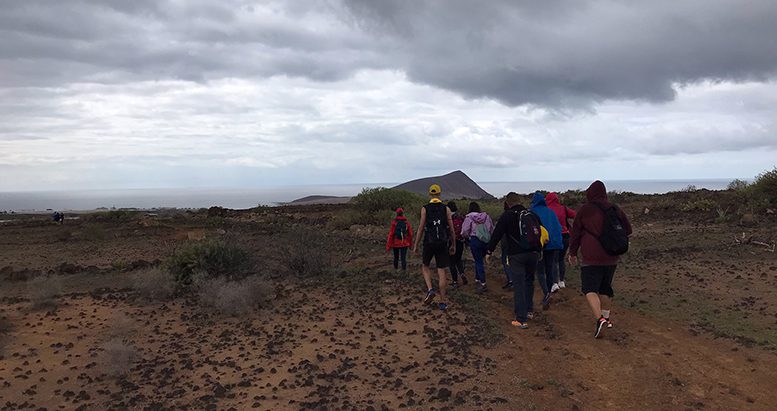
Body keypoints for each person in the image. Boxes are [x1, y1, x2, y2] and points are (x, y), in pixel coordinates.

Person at [568, 180, 633, 339]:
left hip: (591, 256)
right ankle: (607, 318)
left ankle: (600, 319)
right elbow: (628, 231)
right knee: (605, 288)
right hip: (611, 256)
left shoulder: (585, 210)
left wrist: (573, 253)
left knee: (589, 289)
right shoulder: (615, 208)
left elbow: (575, 234)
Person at [485, 192, 543, 328]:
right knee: (529, 281)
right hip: (533, 253)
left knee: (519, 284)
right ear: (520, 201)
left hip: (516, 255)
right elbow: (540, 232)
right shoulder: (531, 214)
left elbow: (497, 234)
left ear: (507, 203)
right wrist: (539, 250)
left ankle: (521, 319)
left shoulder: (507, 215)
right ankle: (529, 310)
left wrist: (489, 251)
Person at [412, 184, 456, 311]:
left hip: (429, 243)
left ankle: (430, 289)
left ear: (430, 194)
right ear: (439, 194)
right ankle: (442, 302)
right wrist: (453, 244)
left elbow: (421, 228)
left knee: (425, 266)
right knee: (441, 271)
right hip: (442, 243)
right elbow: (451, 229)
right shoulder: (446, 209)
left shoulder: (425, 208)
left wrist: (416, 245)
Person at [530, 192, 564, 310]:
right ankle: (549, 290)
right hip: (554, 245)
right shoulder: (551, 212)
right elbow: (558, 228)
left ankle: (546, 293)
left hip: (541, 245)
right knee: (549, 268)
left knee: (540, 271)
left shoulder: (532, 212)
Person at [460, 202, 494, 293]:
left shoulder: (469, 217)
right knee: (480, 260)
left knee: (478, 261)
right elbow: (491, 228)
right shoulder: (486, 216)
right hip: (486, 240)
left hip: (475, 240)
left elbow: (464, 231)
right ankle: (477, 278)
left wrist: (466, 237)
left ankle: (483, 283)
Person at [545, 192, 576, 289]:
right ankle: (562, 281)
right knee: (561, 259)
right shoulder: (563, 208)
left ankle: (554, 283)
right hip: (565, 236)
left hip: (553, 237)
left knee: (553, 260)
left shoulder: (547, 210)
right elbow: (575, 215)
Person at [447, 201, 468, 288]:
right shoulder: (461, 217)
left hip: (451, 241)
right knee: (458, 259)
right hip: (460, 241)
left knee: (451, 261)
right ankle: (462, 273)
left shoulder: (447, 217)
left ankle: (455, 281)